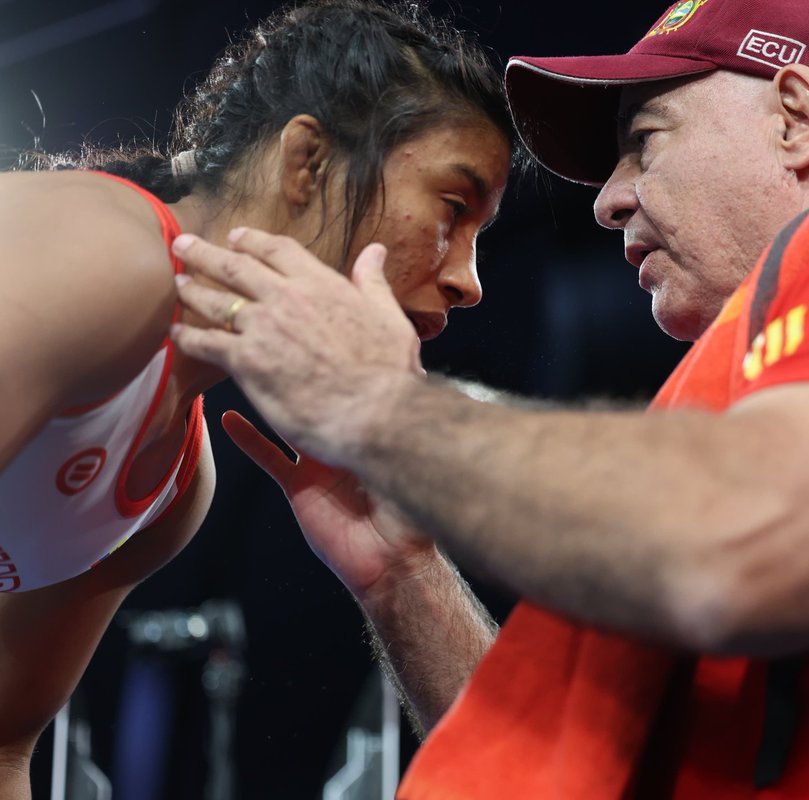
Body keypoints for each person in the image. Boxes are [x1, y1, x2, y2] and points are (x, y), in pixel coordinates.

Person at [170, 0, 809, 796]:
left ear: (796, 116)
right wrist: (404, 572)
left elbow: (748, 542)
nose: (608, 198)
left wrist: (385, 410)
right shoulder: (768, 377)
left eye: (644, 141)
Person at [0, 1, 513, 796]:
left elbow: (2, 745)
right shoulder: (108, 257)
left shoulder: (175, 486)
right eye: (453, 208)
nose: (469, 281)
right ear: (307, 163)